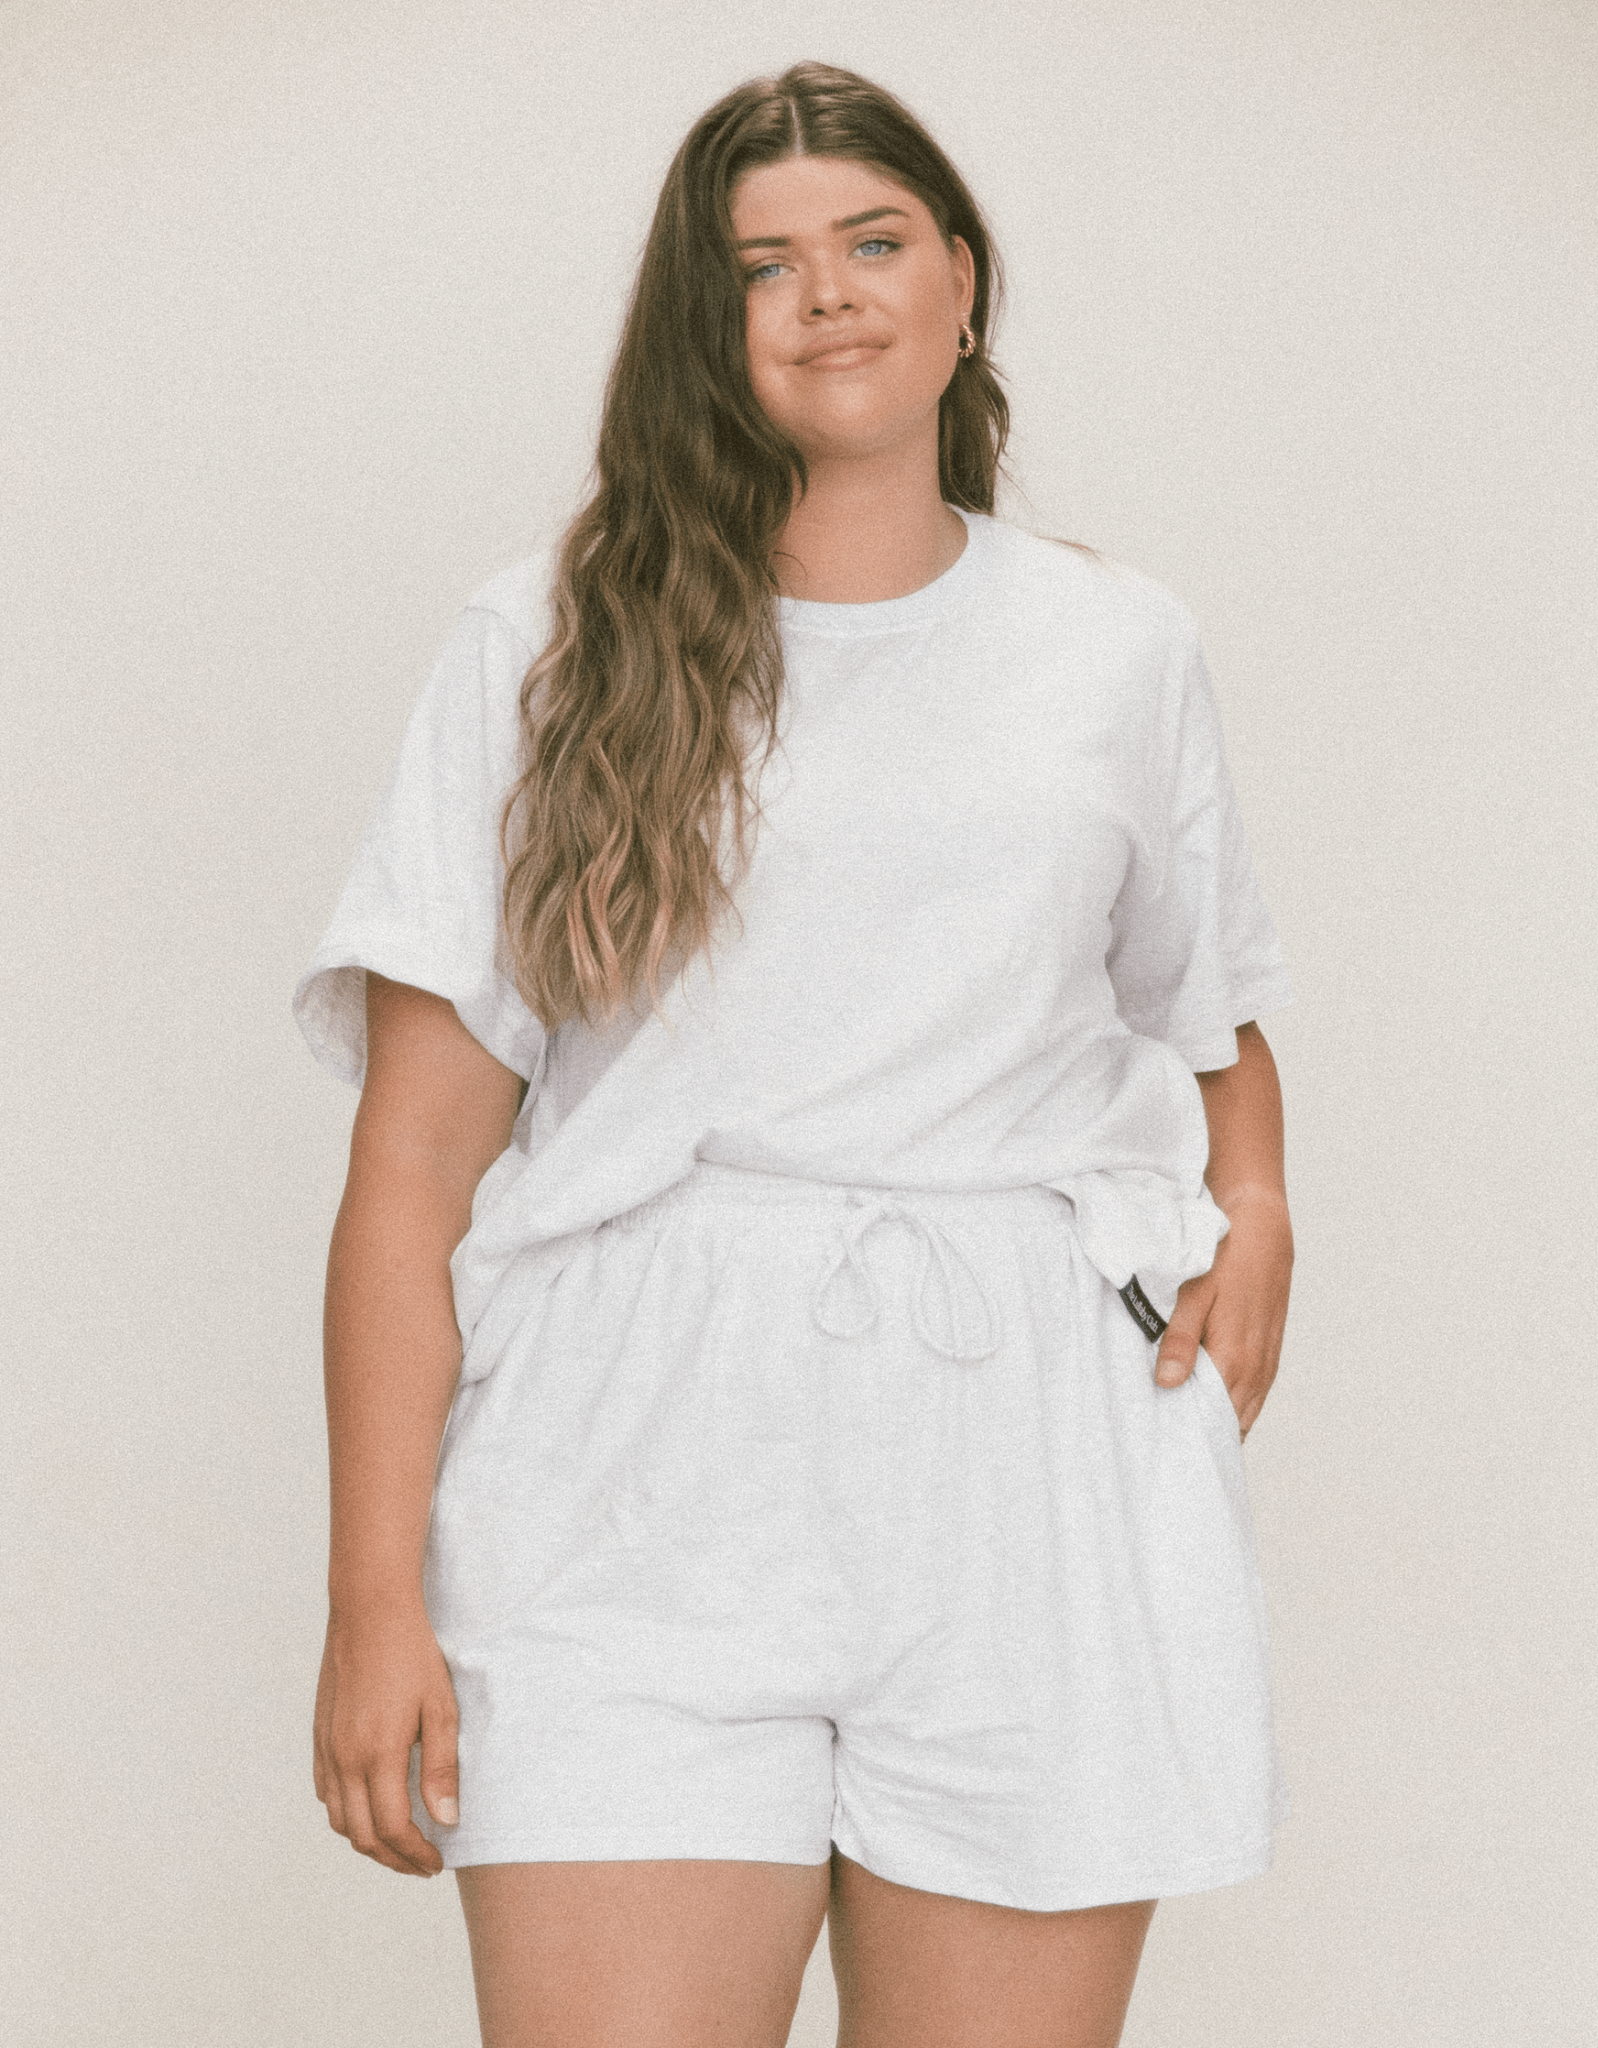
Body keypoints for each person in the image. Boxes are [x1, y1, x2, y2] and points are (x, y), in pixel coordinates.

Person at [296, 59, 1295, 2048]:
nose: (827, 293)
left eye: (873, 241)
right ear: (706, 325)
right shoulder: (547, 643)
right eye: (763, 265)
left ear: (960, 283)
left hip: (1026, 1465)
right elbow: (409, 1163)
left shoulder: (1115, 649)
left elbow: (1204, 1007)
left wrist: (1255, 1201)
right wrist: (370, 1599)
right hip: (633, 1467)